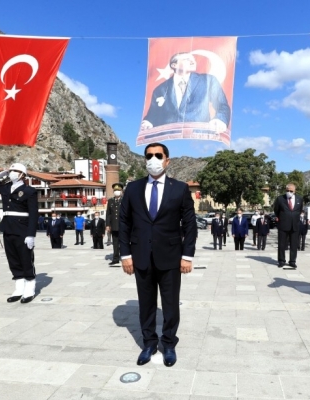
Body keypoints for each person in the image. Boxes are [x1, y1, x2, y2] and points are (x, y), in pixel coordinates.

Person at [119, 142, 196, 368]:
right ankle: (149, 343)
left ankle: (169, 344)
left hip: (171, 256)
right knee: (146, 304)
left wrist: (187, 256)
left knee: (170, 304)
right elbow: (124, 222)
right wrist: (125, 254)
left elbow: (190, 224)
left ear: (167, 160)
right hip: (141, 255)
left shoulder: (179, 188)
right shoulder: (133, 188)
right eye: (149, 155)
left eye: (158, 155)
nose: (153, 159)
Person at [0, 163, 39, 304]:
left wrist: (31, 234)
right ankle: (19, 289)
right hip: (8, 228)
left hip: (22, 229)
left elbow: (33, 214)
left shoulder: (29, 191)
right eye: (11, 171)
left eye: (15, 171)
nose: (12, 173)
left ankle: (29, 289)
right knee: (13, 259)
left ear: (22, 175)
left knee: (26, 259)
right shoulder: (5, 187)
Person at [140, 53, 231, 131]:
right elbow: (153, 115)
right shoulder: (160, 89)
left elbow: (222, 106)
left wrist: (220, 120)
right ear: (174, 65)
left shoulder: (208, 81)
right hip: (169, 137)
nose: (193, 61)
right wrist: (148, 122)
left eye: (193, 59)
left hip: (199, 135)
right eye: (187, 59)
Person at [273, 183, 304, 268]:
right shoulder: (280, 199)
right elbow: (276, 210)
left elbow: (300, 210)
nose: (289, 192)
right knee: (282, 244)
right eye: (287, 190)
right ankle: (281, 260)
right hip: (283, 225)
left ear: (294, 191)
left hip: (295, 225)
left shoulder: (299, 199)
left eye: (291, 191)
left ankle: (292, 261)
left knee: (294, 244)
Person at [106, 183, 124, 265]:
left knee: (124, 243)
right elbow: (108, 214)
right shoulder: (110, 201)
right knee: (115, 243)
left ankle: (124, 258)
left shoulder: (124, 200)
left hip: (123, 226)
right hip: (114, 226)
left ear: (121, 191)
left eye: (118, 190)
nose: (117, 192)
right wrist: (107, 225)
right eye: (115, 190)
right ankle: (115, 258)